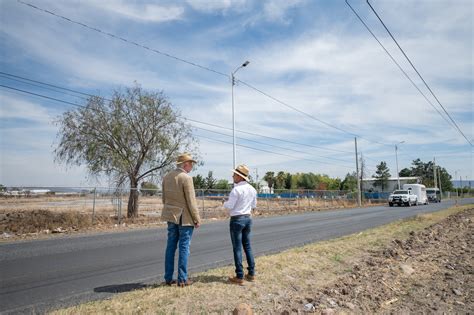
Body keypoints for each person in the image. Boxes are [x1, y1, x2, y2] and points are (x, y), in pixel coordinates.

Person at [161, 153, 201, 287]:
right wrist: (196, 218)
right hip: (185, 218)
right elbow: (191, 201)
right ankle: (182, 279)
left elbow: (164, 199)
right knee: (184, 247)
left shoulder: (167, 177)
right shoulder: (186, 178)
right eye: (191, 164)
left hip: (171, 216)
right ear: (185, 164)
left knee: (170, 247)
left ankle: (168, 277)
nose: (191, 166)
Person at [223, 164, 257, 285]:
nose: (232, 176)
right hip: (248, 218)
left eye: (234, 174)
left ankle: (239, 276)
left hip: (237, 219)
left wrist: (224, 203)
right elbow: (253, 206)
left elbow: (230, 206)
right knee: (247, 246)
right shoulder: (252, 189)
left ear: (239, 176)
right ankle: (251, 273)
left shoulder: (236, 190)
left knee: (237, 247)